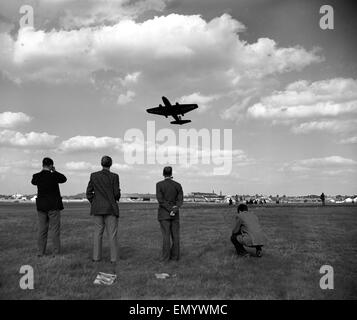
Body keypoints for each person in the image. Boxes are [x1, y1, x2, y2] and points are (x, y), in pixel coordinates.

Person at [86, 156, 121, 264]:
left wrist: (95, 201)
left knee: (97, 234)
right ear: (111, 164)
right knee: (112, 234)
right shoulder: (114, 176)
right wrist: (118, 194)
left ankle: (96, 258)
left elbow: (88, 193)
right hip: (110, 208)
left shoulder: (94, 176)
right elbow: (116, 194)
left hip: (97, 208)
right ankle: (114, 259)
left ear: (101, 163)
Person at [31, 157, 67, 257]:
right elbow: (64, 179)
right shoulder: (54, 176)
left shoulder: (37, 176)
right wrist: (54, 171)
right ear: (51, 165)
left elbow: (33, 182)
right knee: (55, 230)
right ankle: (55, 252)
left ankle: (40, 252)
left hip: (41, 206)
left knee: (42, 230)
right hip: (54, 206)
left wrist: (43, 171)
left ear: (42, 165)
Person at [156, 166, 183, 262]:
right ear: (171, 174)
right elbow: (180, 200)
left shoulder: (159, 185)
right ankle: (175, 257)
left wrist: (169, 209)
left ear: (163, 174)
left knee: (166, 237)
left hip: (164, 214)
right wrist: (174, 210)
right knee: (175, 236)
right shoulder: (178, 185)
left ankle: (165, 258)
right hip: (175, 214)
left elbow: (161, 200)